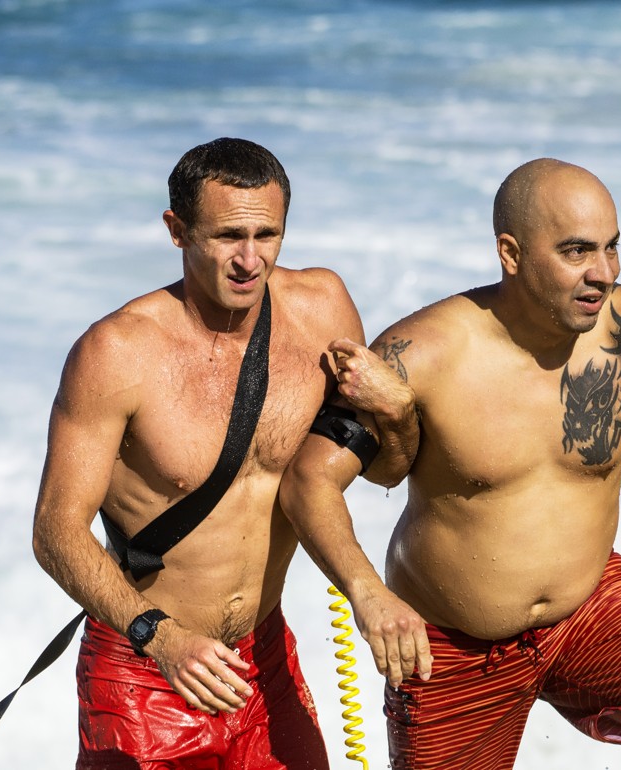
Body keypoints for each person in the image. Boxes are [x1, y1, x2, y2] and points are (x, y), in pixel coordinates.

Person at [279, 157, 621, 770]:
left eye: (611, 248)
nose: (602, 274)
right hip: (450, 640)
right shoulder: (429, 351)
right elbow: (310, 480)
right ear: (511, 253)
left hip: (589, 606)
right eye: (576, 252)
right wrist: (369, 597)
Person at [31, 137, 417, 769]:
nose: (249, 260)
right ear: (177, 230)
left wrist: (398, 412)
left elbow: (384, 471)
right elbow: (55, 533)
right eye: (226, 237)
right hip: (145, 670)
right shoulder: (116, 353)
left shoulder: (323, 309)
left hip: (260, 658)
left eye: (267, 235)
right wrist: (162, 638)